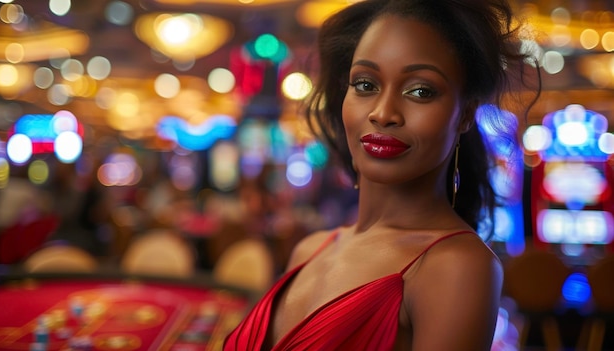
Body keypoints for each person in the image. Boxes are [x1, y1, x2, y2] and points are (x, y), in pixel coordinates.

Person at [224, 0, 540, 350]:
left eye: (420, 91)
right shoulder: (309, 249)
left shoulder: (457, 267)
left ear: (465, 114)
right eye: (364, 84)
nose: (383, 113)